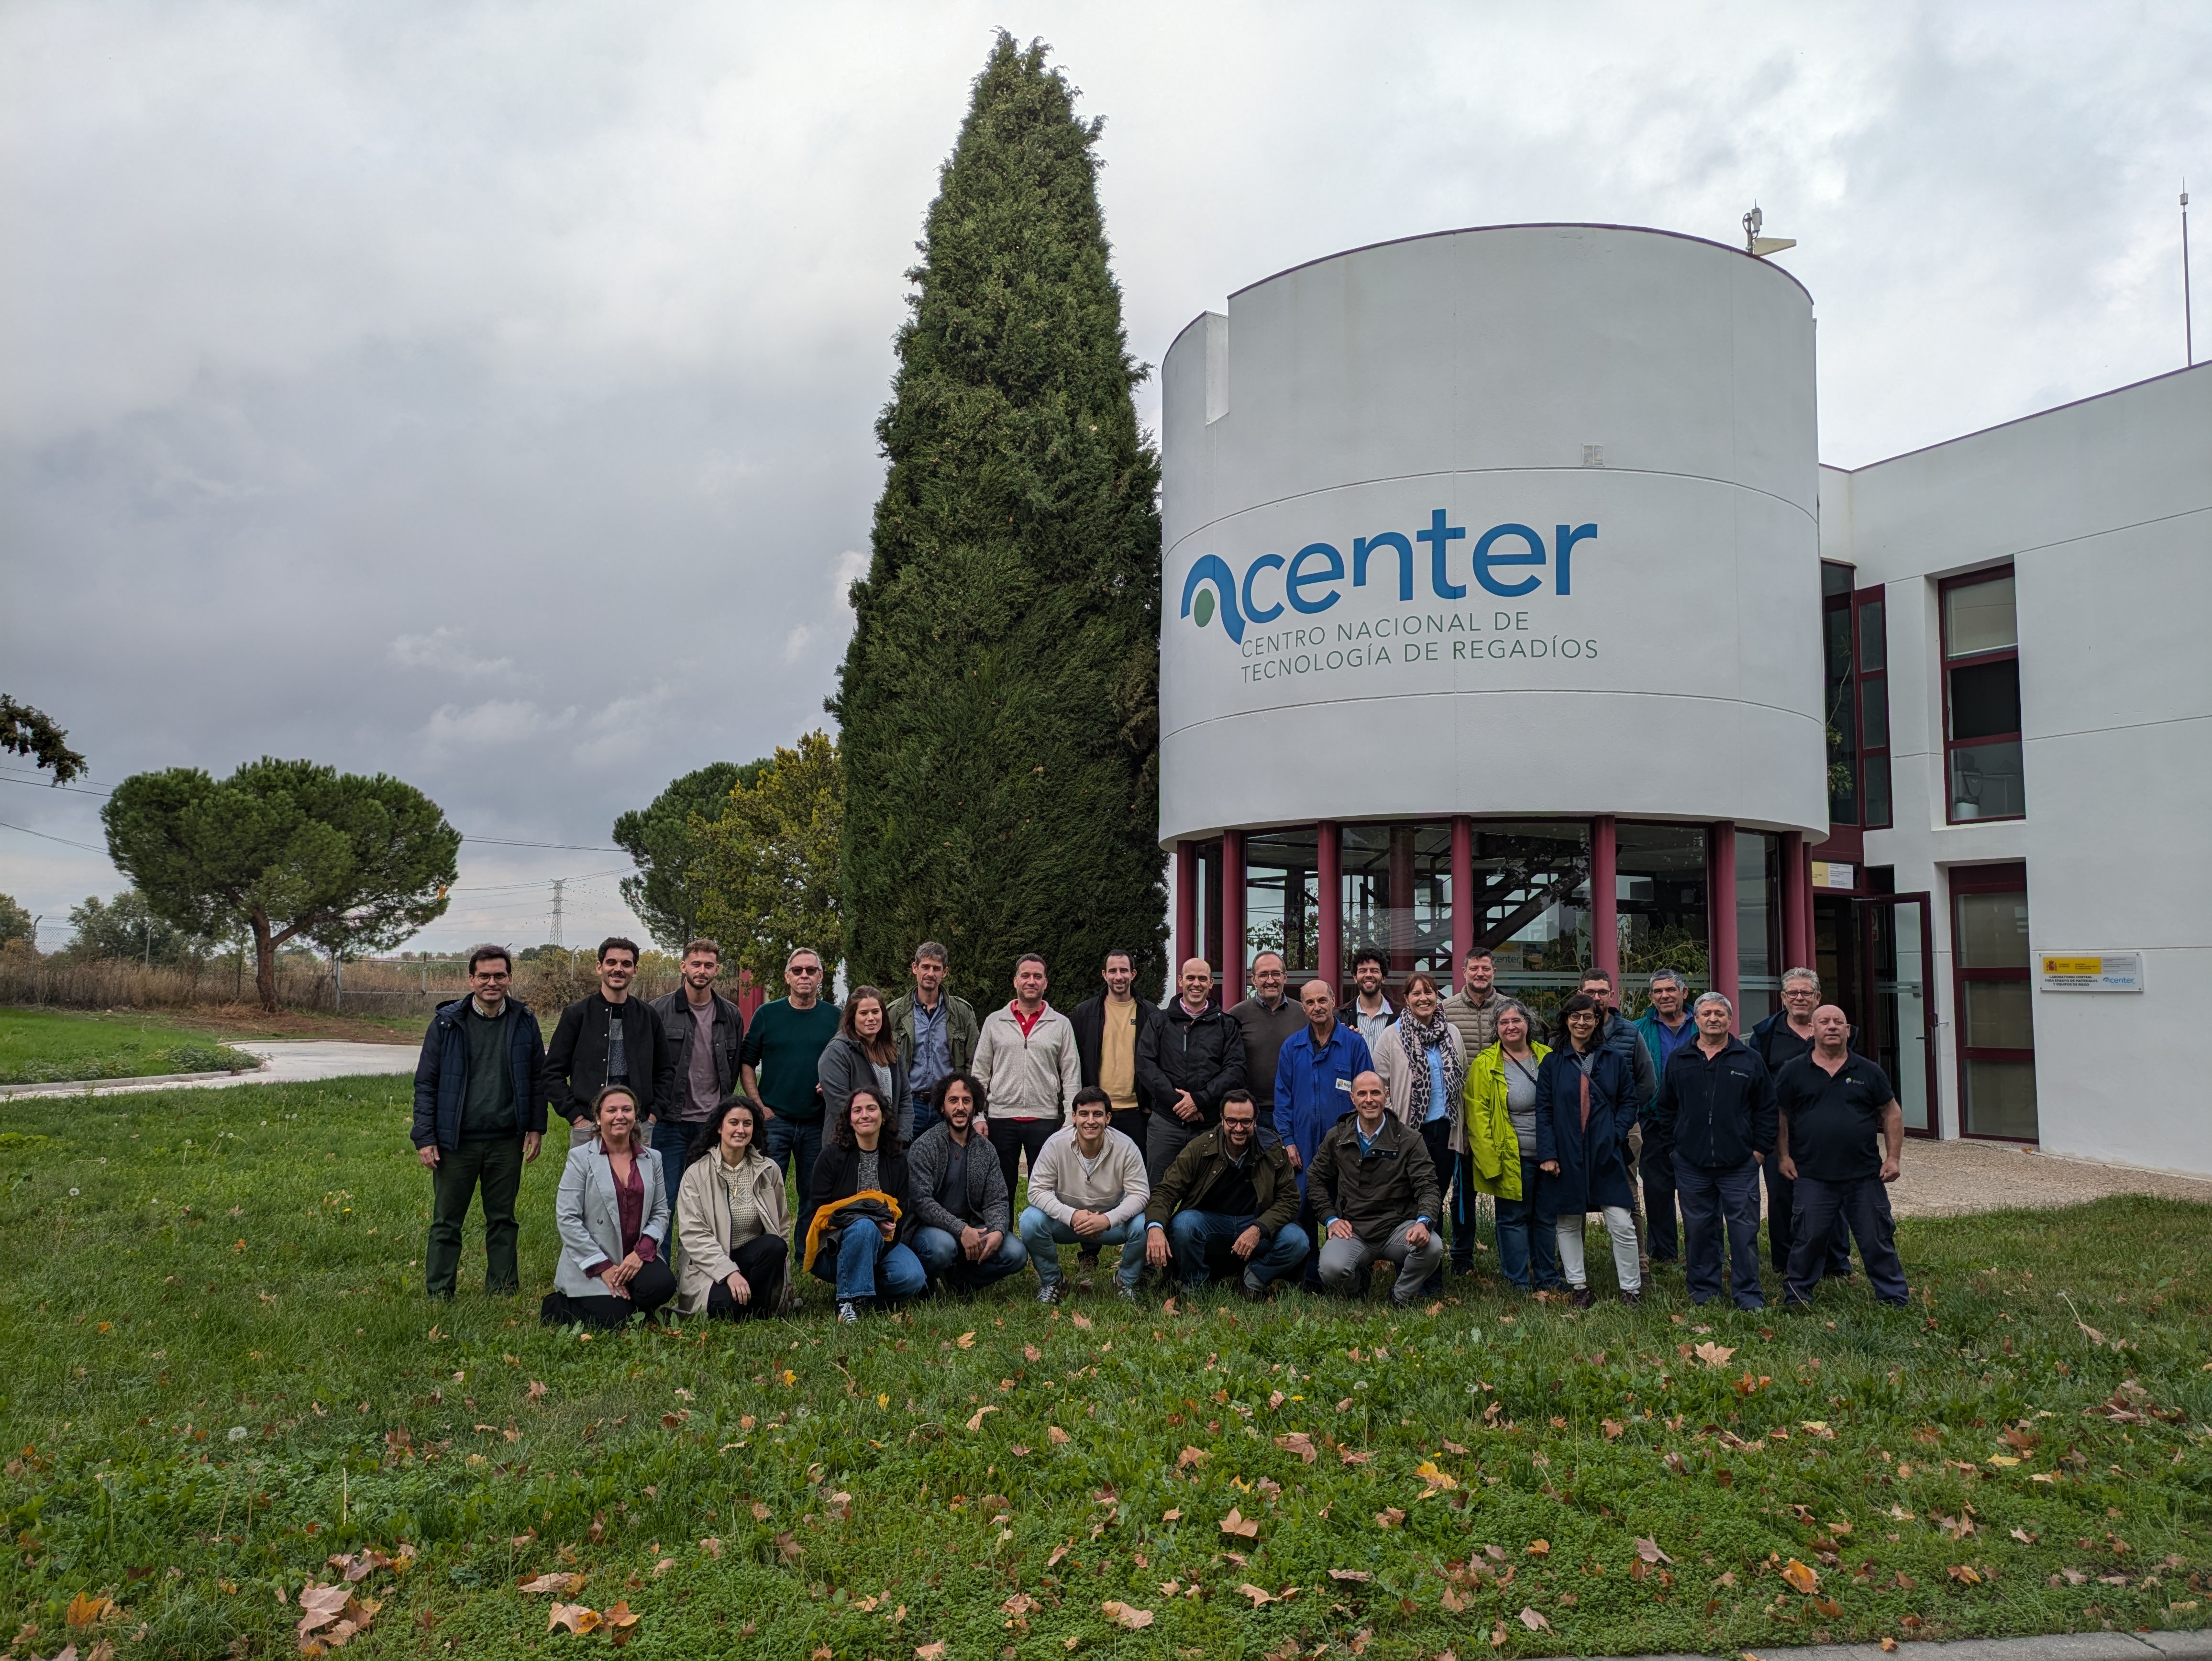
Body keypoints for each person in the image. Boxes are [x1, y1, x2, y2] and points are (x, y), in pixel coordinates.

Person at [412, 944, 549, 1299]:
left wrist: (536, 1127)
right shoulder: (446, 1023)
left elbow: (537, 1078)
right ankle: (440, 1291)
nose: (492, 982)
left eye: (499, 975)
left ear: (510, 979)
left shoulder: (525, 1020)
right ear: (471, 979)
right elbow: (426, 1083)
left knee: (503, 1219)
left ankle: (503, 1289)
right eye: (484, 976)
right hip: (456, 1141)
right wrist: (425, 1137)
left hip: (506, 1140)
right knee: (447, 1222)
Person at [1776, 1005, 1909, 1309]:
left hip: (1863, 1175)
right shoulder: (1793, 1071)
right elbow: (1780, 1116)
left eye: (1839, 1022)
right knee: (1808, 1239)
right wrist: (1783, 1157)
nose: (1832, 1026)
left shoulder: (1868, 1071)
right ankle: (1797, 1297)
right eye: (1824, 1022)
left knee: (1877, 1239)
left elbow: (1891, 1112)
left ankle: (1894, 1298)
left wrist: (1894, 1158)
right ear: (1812, 1030)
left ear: (1848, 1031)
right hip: (1812, 1174)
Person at [1648, 991, 1775, 1310]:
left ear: (1730, 1020)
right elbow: (1666, 1108)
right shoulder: (1680, 1059)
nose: (1713, 1019)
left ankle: (1748, 1296)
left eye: (1720, 1013)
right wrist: (1674, 1149)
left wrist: (1758, 1153)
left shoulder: (1749, 1060)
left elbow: (1767, 1110)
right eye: (1707, 1014)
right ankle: (1704, 1293)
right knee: (1699, 1231)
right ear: (1698, 1019)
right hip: (1692, 1165)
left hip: (1739, 1164)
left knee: (1744, 1233)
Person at [1143, 1090, 1308, 1299]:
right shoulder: (1199, 1148)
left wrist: (1259, 1228)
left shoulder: (1273, 1149)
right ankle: (1194, 1284)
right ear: (1222, 1119)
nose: (1239, 1128)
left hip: (1255, 1221)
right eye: (1232, 1121)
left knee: (1297, 1240)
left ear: (1255, 1121)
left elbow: (1290, 1200)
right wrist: (1156, 1227)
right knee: (1184, 1224)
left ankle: (1253, 1278)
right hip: (1211, 1223)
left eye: (1246, 1122)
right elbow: (1166, 1191)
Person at [1535, 993, 1641, 1307]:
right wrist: (1548, 1154)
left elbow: (1629, 1102)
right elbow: (1544, 1110)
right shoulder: (1552, 1062)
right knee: (1567, 1222)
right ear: (1566, 1020)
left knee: (1621, 1221)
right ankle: (1578, 1286)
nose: (1581, 1022)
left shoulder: (1613, 1059)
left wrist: (1616, 1133)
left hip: (1606, 1153)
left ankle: (1631, 1290)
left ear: (1597, 1021)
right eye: (1575, 1016)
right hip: (1566, 1154)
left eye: (1588, 1017)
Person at [1748, 967, 1855, 1281]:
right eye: (1792, 993)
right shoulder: (1765, 1036)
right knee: (1782, 1197)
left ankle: (1836, 1264)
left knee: (1832, 1196)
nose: (1798, 998)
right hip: (1779, 1132)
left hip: (1827, 1133)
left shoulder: (1835, 1031)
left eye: (1805, 993)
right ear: (1782, 998)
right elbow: (1756, 1084)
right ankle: (1785, 1260)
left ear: (1817, 998)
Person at [542, 1085, 675, 1328]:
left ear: (635, 1115)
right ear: (598, 1117)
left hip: (633, 1255)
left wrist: (640, 1253)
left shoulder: (652, 1158)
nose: (619, 1116)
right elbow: (568, 1218)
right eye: (611, 1110)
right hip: (595, 1256)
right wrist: (603, 1267)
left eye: (627, 1109)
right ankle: (557, 1305)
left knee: (663, 1286)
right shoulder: (581, 1158)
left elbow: (660, 1212)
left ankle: (623, 1299)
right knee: (615, 1319)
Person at [1306, 1071, 1443, 1307]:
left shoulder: (1409, 1139)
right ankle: (1356, 1288)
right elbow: (1315, 1178)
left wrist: (1423, 1222)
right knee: (1330, 1268)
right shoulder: (1337, 1137)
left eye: (1375, 1093)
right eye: (1362, 1094)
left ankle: (1400, 1296)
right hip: (1354, 1229)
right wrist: (1330, 1219)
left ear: (1386, 1096)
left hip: (1398, 1227)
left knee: (1433, 1246)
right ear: (1353, 1098)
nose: (1369, 1099)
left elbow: (1428, 1185)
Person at [1270, 978, 1372, 1292]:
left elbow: (1367, 1095)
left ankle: (1354, 1281)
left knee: (1349, 1213)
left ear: (1333, 1001)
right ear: (1304, 1007)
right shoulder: (1292, 1047)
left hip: (1345, 1148)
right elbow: (1282, 1099)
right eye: (1310, 1003)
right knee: (1302, 1212)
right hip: (1301, 1145)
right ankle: (1310, 1282)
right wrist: (1287, 1141)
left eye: (1322, 1001)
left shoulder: (1354, 1045)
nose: (1317, 1007)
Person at [1370, 970, 1466, 1292]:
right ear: (1406, 1000)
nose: (1424, 998)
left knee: (1433, 1201)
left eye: (1430, 992)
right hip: (1408, 1134)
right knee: (1407, 1202)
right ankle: (1408, 1273)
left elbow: (1461, 1077)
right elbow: (1379, 1086)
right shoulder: (1392, 1035)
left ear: (1437, 996)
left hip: (1445, 1130)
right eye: (1416, 993)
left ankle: (1433, 1277)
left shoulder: (1451, 1032)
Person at [740, 946, 841, 1249]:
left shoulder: (834, 1018)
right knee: (767, 1193)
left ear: (820, 976)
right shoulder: (767, 1015)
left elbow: (847, 1060)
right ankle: (769, 1261)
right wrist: (759, 1106)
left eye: (811, 971)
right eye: (798, 971)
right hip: (776, 1121)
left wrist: (833, 1084)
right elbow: (747, 1062)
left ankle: (807, 1258)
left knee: (815, 1195)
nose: (804, 976)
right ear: (787, 977)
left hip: (817, 1121)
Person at [804, 1087, 927, 1323]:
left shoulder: (897, 1158)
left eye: (872, 1109)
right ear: (849, 1120)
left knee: (913, 1278)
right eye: (857, 1110)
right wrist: (868, 1220)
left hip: (884, 1243)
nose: (865, 1115)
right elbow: (820, 1211)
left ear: (883, 1116)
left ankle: (861, 1290)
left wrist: (887, 1227)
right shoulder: (831, 1156)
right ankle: (847, 1303)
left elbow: (901, 1209)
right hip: (835, 1245)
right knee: (864, 1228)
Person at [544, 937, 678, 1151]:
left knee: (636, 1184)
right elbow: (552, 1073)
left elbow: (665, 1071)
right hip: (588, 1127)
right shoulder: (577, 1015)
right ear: (600, 967)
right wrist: (577, 1118)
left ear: (635, 970)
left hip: (638, 1125)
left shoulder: (649, 1017)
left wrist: (653, 1116)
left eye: (626, 964)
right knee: (587, 1184)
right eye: (612, 963)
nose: (618, 969)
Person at [1020, 1086, 1151, 1303]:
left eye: (1097, 1114)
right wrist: (1071, 1216)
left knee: (1143, 1224)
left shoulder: (1126, 1147)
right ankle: (1053, 1282)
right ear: (1074, 1117)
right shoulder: (1055, 1145)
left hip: (1109, 1223)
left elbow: (1140, 1194)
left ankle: (1124, 1282)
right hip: (1066, 1221)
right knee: (1030, 1221)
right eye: (1084, 1114)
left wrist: (1107, 1219)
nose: (1090, 1121)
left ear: (1108, 1118)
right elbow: (1036, 1190)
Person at [1463, 999, 1559, 1292]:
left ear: (1528, 1023)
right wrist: (1490, 1161)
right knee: (1513, 1219)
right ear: (1497, 1030)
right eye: (1503, 1023)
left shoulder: (1548, 1057)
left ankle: (1547, 1278)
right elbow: (1477, 1116)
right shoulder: (1484, 1064)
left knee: (1545, 1219)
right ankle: (1517, 1281)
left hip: (1549, 1155)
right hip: (1509, 1156)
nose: (1511, 1027)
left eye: (1516, 1020)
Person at [972, 954, 1084, 1204]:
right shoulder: (994, 1021)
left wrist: (1070, 1118)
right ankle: (1003, 1240)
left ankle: (1039, 1241)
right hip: (1001, 1118)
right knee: (1002, 1190)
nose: (1031, 981)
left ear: (1045, 983)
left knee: (1045, 1189)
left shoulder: (1061, 1024)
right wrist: (978, 1116)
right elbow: (980, 1073)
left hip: (1044, 1119)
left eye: (1037, 977)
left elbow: (1071, 1074)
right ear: (1015, 981)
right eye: (1026, 976)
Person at [906, 1073, 1028, 1293]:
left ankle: (960, 1280)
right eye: (953, 1100)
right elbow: (921, 1202)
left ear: (975, 1106)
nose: (960, 1107)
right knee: (943, 1248)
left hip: (974, 1228)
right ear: (942, 1106)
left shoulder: (986, 1150)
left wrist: (999, 1230)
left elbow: (998, 1199)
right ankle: (927, 1278)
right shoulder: (924, 1146)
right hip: (932, 1231)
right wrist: (960, 1229)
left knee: (1015, 1252)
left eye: (966, 1101)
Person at [673, 1096, 789, 1320]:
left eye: (747, 1124)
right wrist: (729, 1272)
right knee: (727, 1308)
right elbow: (694, 1235)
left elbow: (781, 1223)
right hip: (708, 1265)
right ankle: (744, 1301)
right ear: (719, 1127)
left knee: (775, 1245)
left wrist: (784, 1278)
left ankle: (759, 1303)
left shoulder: (769, 1170)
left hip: (752, 1260)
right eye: (734, 1123)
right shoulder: (696, 1174)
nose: (741, 1130)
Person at [649, 938, 747, 1204]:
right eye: (695, 964)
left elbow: (734, 1066)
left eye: (708, 965)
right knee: (664, 1201)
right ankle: (657, 1249)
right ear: (684, 967)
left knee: (708, 1205)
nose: (701, 971)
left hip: (713, 1125)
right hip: (669, 1122)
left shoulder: (731, 1015)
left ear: (717, 970)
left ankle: (695, 1249)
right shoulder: (658, 1011)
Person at [1135, 958, 1247, 1185]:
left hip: (1209, 1125)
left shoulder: (1226, 1025)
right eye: (1190, 978)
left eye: (1202, 979)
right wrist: (1181, 1103)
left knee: (1212, 1192)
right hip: (1166, 1124)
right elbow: (1145, 1065)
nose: (1196, 984)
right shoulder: (1159, 1022)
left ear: (1211, 983)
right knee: (1159, 1190)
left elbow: (1236, 1071)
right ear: (1180, 981)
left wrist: (1199, 1100)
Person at [1439, 946, 1504, 1276]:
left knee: (1509, 1188)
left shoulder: (1509, 1009)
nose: (1481, 974)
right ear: (1463, 972)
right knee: (1462, 1190)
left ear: (1494, 972)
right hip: (1460, 1116)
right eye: (1475, 969)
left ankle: (1512, 1258)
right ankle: (1462, 1258)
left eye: (1486, 969)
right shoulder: (1446, 1010)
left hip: (1503, 1114)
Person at [1630, 968, 1699, 1268]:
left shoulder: (1705, 1023)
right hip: (1653, 1120)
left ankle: (1703, 1250)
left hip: (1697, 1122)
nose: (1665, 996)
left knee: (1698, 1189)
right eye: (1658, 992)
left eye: (1671, 990)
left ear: (1684, 993)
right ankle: (1665, 1253)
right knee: (1658, 1190)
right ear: (1650, 997)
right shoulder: (1638, 1030)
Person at [1071, 948, 1163, 1151]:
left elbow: (1159, 1060)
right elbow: (1074, 1061)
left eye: (1124, 971)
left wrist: (1150, 1103)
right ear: (1105, 975)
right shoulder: (1085, 1013)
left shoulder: (1151, 1013)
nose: (1118, 977)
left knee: (1135, 1174)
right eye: (1112, 971)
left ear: (1133, 974)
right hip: (1097, 1110)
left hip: (1137, 1111)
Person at [886, 942, 978, 1144]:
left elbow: (974, 1060)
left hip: (947, 1104)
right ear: (915, 968)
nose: (930, 973)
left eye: (937, 969)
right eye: (926, 967)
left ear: (945, 972)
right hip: (910, 1104)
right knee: (905, 1163)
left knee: (947, 1166)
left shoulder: (962, 1012)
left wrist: (968, 1103)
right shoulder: (894, 1013)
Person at [819, 985, 912, 1144]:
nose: (871, 1018)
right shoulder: (837, 1052)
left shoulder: (894, 1049)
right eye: (864, 1013)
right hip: (849, 1146)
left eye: (876, 1012)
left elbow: (904, 1098)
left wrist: (902, 1138)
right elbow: (842, 1109)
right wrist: (874, 1141)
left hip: (891, 1146)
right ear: (853, 1017)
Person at [1228, 951, 1302, 1147]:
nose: (1270, 980)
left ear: (1285, 977)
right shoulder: (1236, 1015)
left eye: (1276, 974)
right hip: (1252, 1113)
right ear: (1253, 980)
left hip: (1294, 1110)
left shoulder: (1303, 1014)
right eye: (1263, 975)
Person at [1348, 950, 1396, 1052]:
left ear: (1383, 978)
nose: (1368, 975)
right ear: (1355, 978)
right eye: (1363, 971)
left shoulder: (1401, 1016)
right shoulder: (1341, 1017)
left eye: (1374, 971)